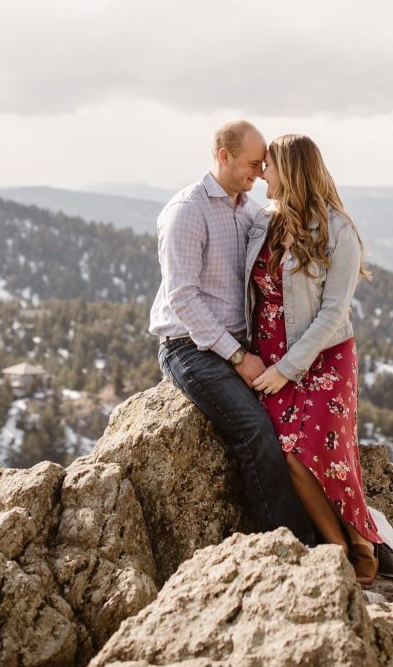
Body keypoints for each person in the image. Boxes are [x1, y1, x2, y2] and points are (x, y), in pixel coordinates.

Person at [150, 120, 316, 546]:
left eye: (264, 165)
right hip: (190, 348)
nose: (261, 173)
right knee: (255, 431)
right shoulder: (187, 210)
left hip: (240, 345)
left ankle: (328, 529)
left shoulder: (248, 211)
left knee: (297, 425)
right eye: (253, 163)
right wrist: (239, 359)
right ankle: (291, 544)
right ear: (223, 157)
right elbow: (182, 299)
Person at [244, 134, 385, 586]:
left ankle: (361, 542)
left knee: (326, 446)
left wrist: (288, 369)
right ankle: (336, 545)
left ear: (291, 170)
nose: (262, 173)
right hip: (269, 355)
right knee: (288, 455)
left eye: (269, 165)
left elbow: (333, 312)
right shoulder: (262, 223)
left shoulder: (338, 229)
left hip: (324, 353)